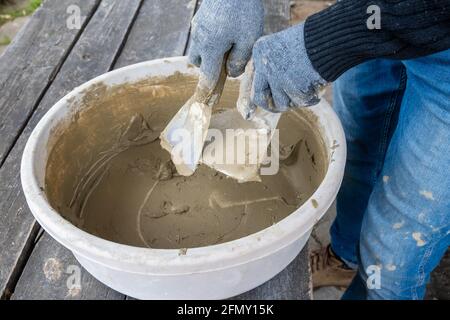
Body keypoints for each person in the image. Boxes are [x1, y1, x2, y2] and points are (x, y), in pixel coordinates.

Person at [188, 0, 450, 300]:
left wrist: (324, 42)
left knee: (393, 251)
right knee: (361, 145)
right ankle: (345, 258)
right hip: (373, 12)